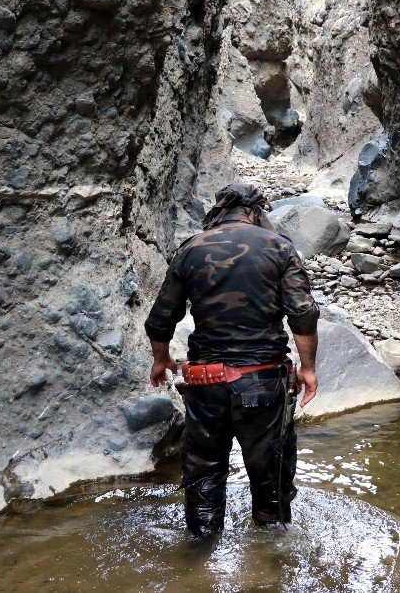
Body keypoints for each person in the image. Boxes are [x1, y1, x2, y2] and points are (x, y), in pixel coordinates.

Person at [143, 183, 320, 539]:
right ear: (254, 211)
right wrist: (309, 369)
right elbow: (303, 315)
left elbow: (160, 319)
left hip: (205, 384)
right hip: (262, 383)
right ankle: (271, 554)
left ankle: (199, 549)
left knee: (204, 471)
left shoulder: (190, 248)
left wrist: (161, 360)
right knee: (270, 472)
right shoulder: (279, 247)